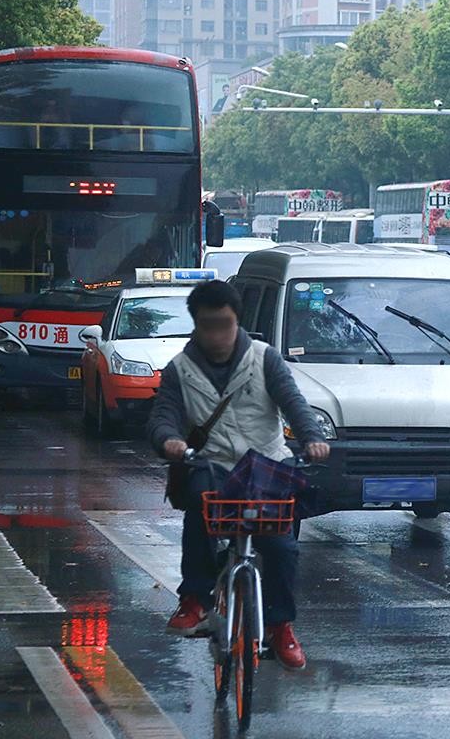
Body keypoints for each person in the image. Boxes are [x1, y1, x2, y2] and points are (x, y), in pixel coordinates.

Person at [147, 280, 331, 670]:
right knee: (200, 507)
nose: (217, 334)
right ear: (195, 324)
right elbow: (164, 415)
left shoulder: (265, 358)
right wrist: (169, 441)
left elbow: (294, 403)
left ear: (238, 321)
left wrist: (312, 437)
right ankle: (194, 600)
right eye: (208, 325)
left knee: (281, 548)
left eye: (225, 324)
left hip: (265, 467)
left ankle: (281, 627)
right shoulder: (180, 369)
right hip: (211, 465)